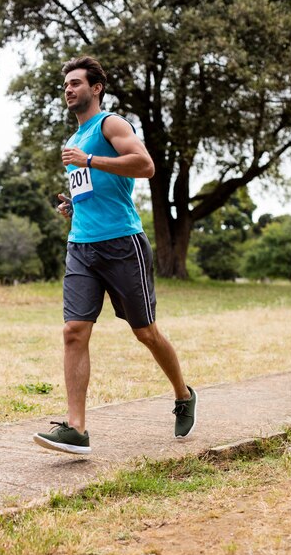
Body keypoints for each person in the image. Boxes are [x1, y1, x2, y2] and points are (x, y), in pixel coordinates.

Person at [33, 56, 197, 455]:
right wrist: (74, 204)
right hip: (81, 246)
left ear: (96, 88)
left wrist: (89, 159)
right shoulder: (73, 141)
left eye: (76, 83)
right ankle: (76, 429)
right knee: (74, 331)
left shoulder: (111, 124)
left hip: (123, 243)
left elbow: (145, 165)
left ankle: (183, 394)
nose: (69, 89)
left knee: (145, 332)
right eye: (66, 84)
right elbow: (96, 188)